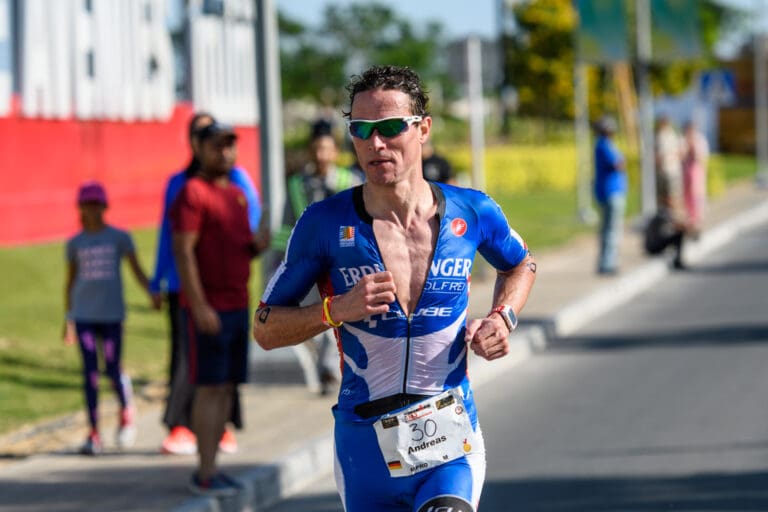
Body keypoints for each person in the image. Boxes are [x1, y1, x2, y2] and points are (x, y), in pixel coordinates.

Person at [253, 65, 536, 512]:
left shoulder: (473, 211)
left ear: (422, 129)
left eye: (389, 128)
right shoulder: (323, 224)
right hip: (363, 447)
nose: (375, 143)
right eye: (361, 130)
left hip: (448, 438)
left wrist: (504, 317)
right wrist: (334, 310)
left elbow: (521, 264)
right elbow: (265, 328)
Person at [151, 112, 262, 456]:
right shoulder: (181, 185)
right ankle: (183, 427)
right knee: (185, 362)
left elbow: (249, 227)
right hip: (184, 289)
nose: (222, 149)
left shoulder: (238, 181)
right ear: (195, 143)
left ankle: (222, 429)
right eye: (203, 134)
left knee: (225, 375)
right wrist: (159, 279)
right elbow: (170, 240)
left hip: (231, 295)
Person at [171, 121, 269, 496]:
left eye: (230, 145)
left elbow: (241, 246)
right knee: (209, 389)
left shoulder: (236, 195)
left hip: (235, 304)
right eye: (217, 146)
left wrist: (259, 244)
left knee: (227, 388)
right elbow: (183, 251)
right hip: (209, 308)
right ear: (200, 149)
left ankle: (213, 468)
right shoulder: (192, 193)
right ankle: (204, 471)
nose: (225, 152)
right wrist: (198, 305)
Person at [63, 181, 159, 455]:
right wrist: (68, 318)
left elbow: (136, 270)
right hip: (83, 315)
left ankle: (125, 411)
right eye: (88, 204)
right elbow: (70, 283)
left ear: (105, 207)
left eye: (97, 204)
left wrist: (151, 291)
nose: (93, 210)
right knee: (90, 373)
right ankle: (93, 432)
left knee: (113, 368)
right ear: (81, 208)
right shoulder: (74, 243)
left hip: (112, 315)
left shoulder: (119, 237)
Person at [272, 118, 363, 395]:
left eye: (326, 148)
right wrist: (279, 262)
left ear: (335, 151)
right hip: (309, 264)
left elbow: (357, 222)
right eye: (316, 149)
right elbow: (286, 225)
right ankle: (327, 368)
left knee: (341, 313)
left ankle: (332, 369)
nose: (321, 155)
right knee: (316, 314)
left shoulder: (351, 181)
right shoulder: (297, 185)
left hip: (342, 261)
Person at [592, 115, 627, 275]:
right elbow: (618, 163)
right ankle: (608, 262)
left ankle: (606, 261)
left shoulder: (602, 145)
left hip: (608, 191)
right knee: (612, 229)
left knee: (608, 228)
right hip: (611, 192)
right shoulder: (604, 145)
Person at [681, 120, 709, 237]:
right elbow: (680, 156)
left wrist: (693, 148)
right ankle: (690, 221)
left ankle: (697, 222)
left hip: (696, 174)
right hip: (686, 173)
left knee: (696, 197)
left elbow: (701, 158)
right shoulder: (683, 140)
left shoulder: (700, 141)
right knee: (687, 198)